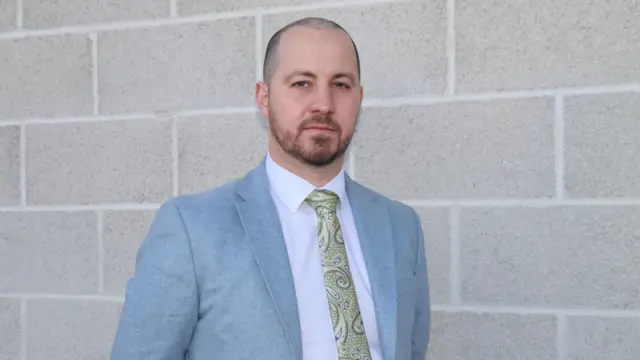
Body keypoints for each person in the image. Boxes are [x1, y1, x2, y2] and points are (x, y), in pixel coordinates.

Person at [110, 16, 430, 360]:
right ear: (264, 98)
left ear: (359, 98)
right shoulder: (191, 229)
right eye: (302, 83)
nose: (323, 103)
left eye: (340, 84)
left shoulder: (400, 228)